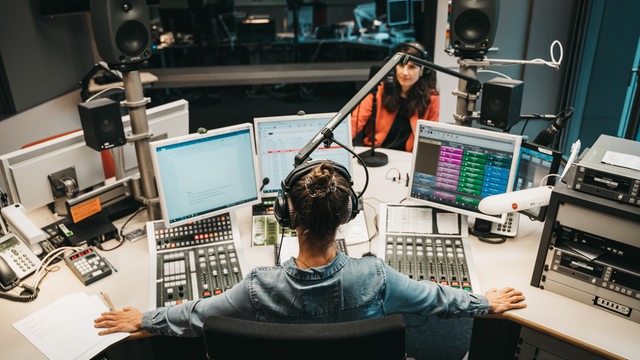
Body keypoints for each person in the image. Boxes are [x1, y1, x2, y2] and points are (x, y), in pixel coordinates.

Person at [94, 161, 526, 337]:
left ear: (286, 215)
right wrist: (483, 303)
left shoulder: (257, 289)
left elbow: (196, 314)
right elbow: (435, 298)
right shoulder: (376, 279)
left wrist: (145, 319)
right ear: (348, 215)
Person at [352, 41, 440, 152]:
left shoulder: (431, 98)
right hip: (377, 155)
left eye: (412, 67)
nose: (405, 72)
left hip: (408, 158)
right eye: (401, 65)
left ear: (423, 70)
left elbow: (431, 139)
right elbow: (354, 123)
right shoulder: (378, 91)